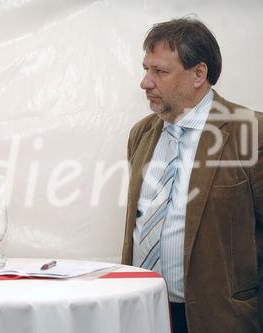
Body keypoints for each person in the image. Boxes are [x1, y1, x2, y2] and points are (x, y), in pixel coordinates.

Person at [121, 18, 262, 333]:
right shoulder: (141, 134)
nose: (145, 82)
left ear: (199, 73)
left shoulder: (250, 133)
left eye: (160, 71)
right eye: (146, 69)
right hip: (144, 313)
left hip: (219, 319)